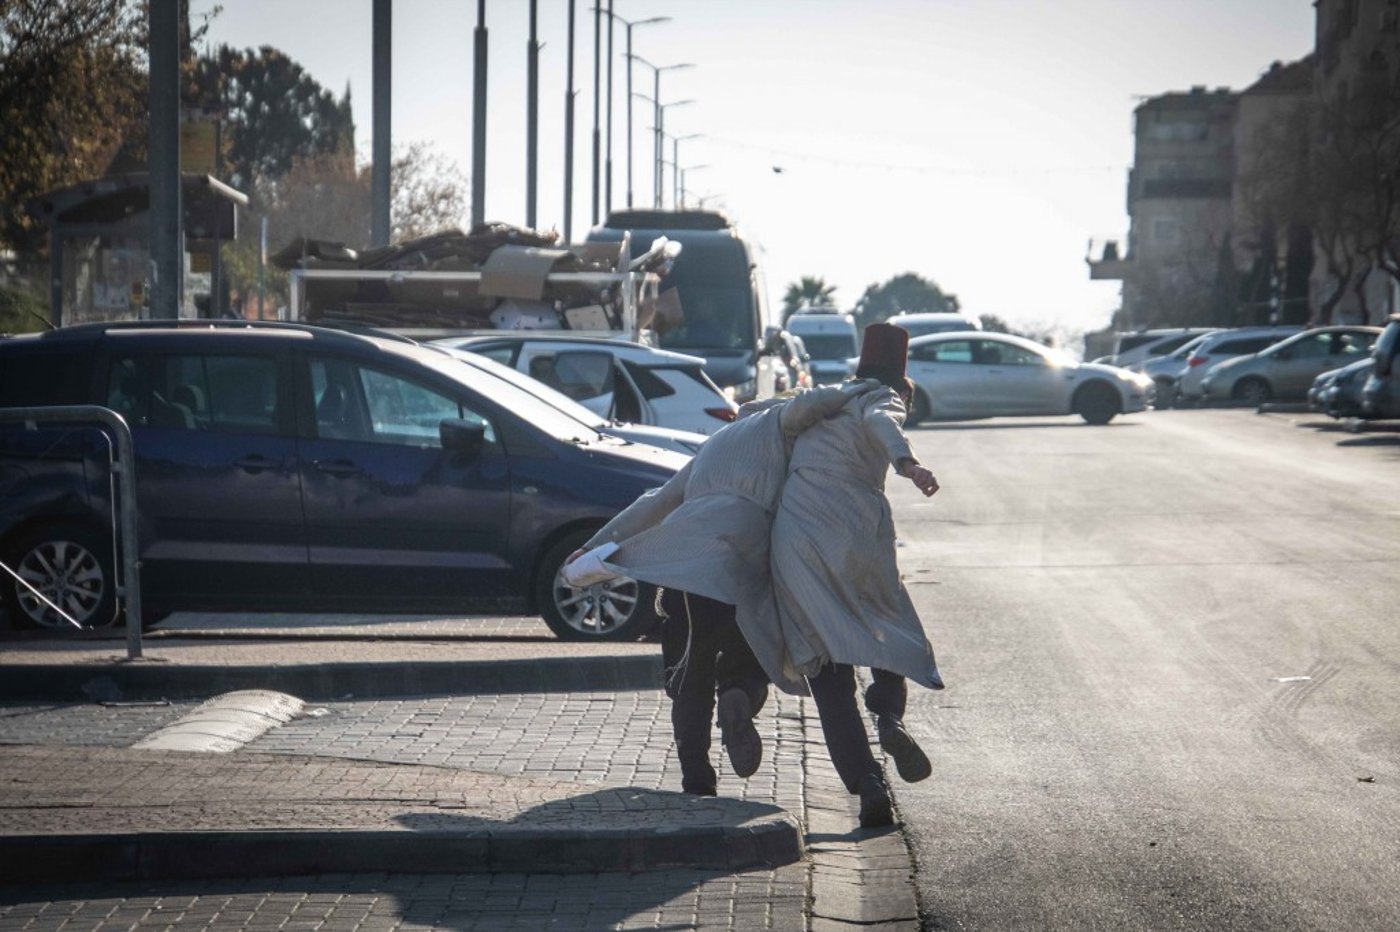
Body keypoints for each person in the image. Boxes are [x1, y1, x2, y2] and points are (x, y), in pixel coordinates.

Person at [563, 379, 880, 796]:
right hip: (747, 566)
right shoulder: (785, 439)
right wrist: (865, 389)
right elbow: (809, 498)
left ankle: (697, 778)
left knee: (691, 670)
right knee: (754, 654)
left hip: (686, 561)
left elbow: (656, 501)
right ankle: (741, 700)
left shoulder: (717, 443)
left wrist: (592, 545)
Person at [770, 322, 943, 828]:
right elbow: (883, 421)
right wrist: (908, 464)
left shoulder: (819, 403)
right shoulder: (880, 397)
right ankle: (887, 714)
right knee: (887, 626)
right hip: (851, 527)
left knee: (825, 672)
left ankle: (869, 788)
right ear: (900, 383)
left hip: (794, 539)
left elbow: (768, 422)